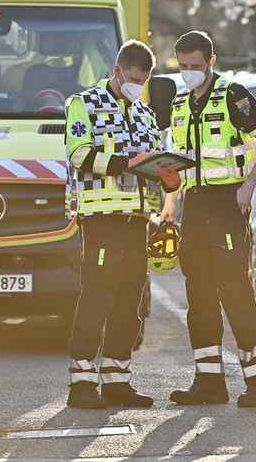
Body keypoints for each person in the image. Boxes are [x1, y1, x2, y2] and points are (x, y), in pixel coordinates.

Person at [162, 30, 256, 408]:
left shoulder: (233, 95)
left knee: (235, 292)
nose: (189, 73)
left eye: (195, 66)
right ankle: (209, 382)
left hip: (226, 203)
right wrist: (168, 205)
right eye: (183, 67)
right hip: (194, 206)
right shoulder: (179, 102)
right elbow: (177, 161)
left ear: (211, 61)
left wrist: (248, 187)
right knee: (199, 296)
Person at [64, 39, 180, 409]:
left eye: (142, 79)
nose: (136, 84)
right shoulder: (84, 104)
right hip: (101, 218)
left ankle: (117, 380)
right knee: (97, 295)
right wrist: (127, 163)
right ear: (116, 71)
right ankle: (82, 383)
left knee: (131, 299)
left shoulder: (145, 114)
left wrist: (168, 178)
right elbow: (79, 154)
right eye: (131, 77)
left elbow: (154, 159)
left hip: (137, 219)